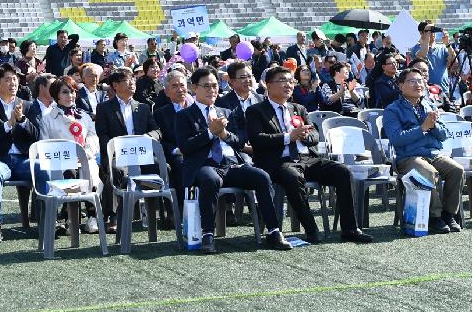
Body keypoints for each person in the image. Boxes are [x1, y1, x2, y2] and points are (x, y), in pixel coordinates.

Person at [246, 66, 372, 244]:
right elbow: (258, 140)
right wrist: (289, 137)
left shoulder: (298, 108)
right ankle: (311, 229)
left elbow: (315, 135)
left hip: (307, 158)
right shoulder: (256, 111)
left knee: (343, 172)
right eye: (282, 80)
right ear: (268, 85)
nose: (288, 85)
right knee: (292, 176)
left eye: (290, 81)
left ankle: (350, 228)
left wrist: (304, 136)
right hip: (280, 161)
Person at [175, 67, 292, 253]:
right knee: (210, 179)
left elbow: (239, 141)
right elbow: (186, 146)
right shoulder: (184, 115)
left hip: (231, 164)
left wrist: (223, 134)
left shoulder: (226, 112)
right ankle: (208, 234)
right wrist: (209, 133)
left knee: (261, 176)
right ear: (194, 88)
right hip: (204, 165)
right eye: (206, 86)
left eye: (214, 86)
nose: (212, 90)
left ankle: (273, 231)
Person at [383, 68, 463, 234]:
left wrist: (433, 125)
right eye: (412, 81)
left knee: (457, 170)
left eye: (420, 81)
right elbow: (396, 138)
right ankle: (434, 216)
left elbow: (444, 135)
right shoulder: (393, 109)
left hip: (433, 153)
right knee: (428, 171)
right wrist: (422, 128)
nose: (418, 84)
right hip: (408, 157)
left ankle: (449, 214)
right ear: (401, 86)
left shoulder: (429, 105)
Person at [0, 64, 39, 243]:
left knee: (42, 168)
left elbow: (37, 136)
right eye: (7, 79)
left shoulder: (27, 105)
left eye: (15, 79)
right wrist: (8, 124)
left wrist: (22, 121)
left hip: (23, 159)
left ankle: (46, 218)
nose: (13, 83)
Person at [95, 67, 160, 233]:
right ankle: (113, 216)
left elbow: (157, 130)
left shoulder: (143, 107)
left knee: (164, 168)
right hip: (119, 154)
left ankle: (167, 214)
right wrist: (114, 149)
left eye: (133, 80)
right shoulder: (104, 108)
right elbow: (102, 135)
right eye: (127, 80)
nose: (132, 84)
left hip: (142, 154)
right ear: (115, 85)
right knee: (114, 171)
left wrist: (148, 136)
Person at [40, 76, 102, 234]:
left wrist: (86, 152)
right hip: (60, 163)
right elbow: (44, 143)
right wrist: (65, 156)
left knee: (93, 174)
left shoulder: (84, 116)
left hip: (85, 159)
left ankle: (92, 217)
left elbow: (93, 137)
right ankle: (71, 219)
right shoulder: (48, 118)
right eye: (65, 92)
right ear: (56, 95)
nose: (70, 96)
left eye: (73, 92)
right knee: (70, 173)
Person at [152, 70, 193, 225]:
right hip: (174, 154)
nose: (180, 89)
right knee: (179, 163)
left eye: (182, 85)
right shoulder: (160, 114)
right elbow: (160, 139)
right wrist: (176, 149)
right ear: (167, 92)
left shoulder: (196, 108)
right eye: (174, 86)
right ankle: (178, 211)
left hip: (197, 150)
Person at [411, 22, 456, 95]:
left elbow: (455, 62)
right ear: (421, 33)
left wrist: (447, 44)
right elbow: (422, 55)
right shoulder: (416, 48)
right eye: (430, 31)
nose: (433, 33)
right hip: (427, 91)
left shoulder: (442, 47)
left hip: (443, 90)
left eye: (433, 31)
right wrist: (427, 35)